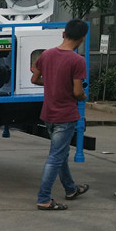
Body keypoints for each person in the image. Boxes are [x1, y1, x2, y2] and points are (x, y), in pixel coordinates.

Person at [30, 19, 90, 210]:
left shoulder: (46, 55)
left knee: (60, 153)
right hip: (66, 115)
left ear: (63, 34)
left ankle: (71, 189)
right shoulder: (78, 61)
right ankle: (44, 199)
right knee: (56, 156)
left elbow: (34, 79)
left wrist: (51, 83)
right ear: (82, 38)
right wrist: (85, 97)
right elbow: (78, 92)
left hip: (48, 113)